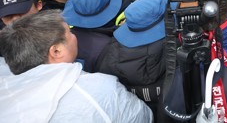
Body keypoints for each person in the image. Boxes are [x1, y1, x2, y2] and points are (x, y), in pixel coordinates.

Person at [0, 10, 153, 122]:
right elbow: (142, 117)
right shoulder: (100, 89)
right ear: (57, 51)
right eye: (69, 32)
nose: (75, 35)